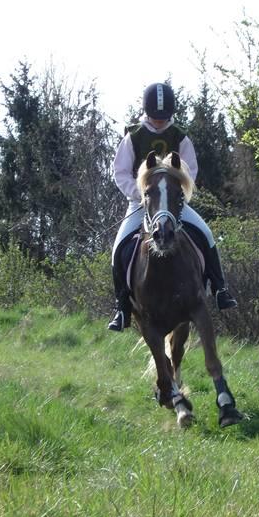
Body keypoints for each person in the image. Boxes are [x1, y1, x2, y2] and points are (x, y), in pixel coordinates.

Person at [107, 82, 238, 331]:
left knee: (207, 234)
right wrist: (140, 195)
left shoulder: (180, 136)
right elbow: (120, 172)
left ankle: (221, 290)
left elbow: (191, 169)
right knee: (118, 248)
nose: (159, 122)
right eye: (156, 118)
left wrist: (177, 195)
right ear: (147, 112)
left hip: (173, 205)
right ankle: (121, 307)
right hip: (140, 204)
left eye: (164, 118)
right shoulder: (133, 136)